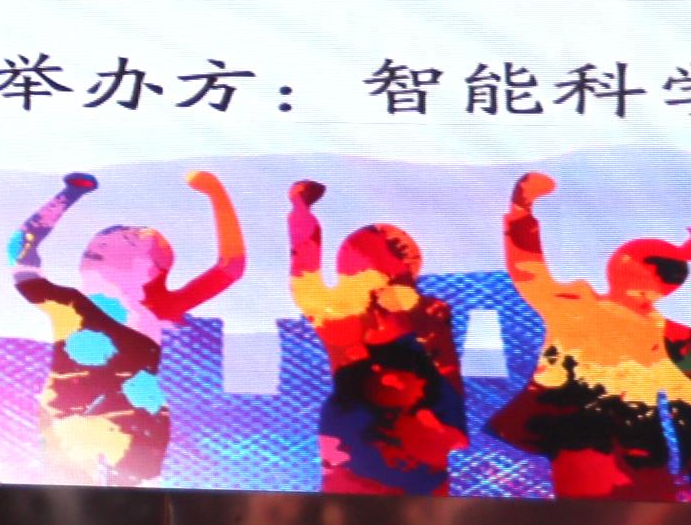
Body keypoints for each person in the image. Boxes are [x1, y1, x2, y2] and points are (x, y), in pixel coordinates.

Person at [9, 169, 244, 485]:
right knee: (68, 497)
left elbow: (231, 266)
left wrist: (216, 194)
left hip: (137, 425)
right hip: (68, 423)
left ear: (150, 268)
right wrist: (67, 196)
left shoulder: (158, 308)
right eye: (97, 243)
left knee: (132, 499)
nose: (101, 245)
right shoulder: (66, 303)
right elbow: (19, 249)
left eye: (126, 242)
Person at [489, 172, 690, 500]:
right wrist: (521, 212)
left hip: (637, 450)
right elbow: (528, 269)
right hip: (589, 443)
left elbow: (528, 271)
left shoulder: (671, 335)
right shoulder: (577, 307)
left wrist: (521, 211)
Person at [284, 178, 466, 496]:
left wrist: (301, 210)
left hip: (379, 440)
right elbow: (448, 379)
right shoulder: (421, 313)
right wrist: (301, 211)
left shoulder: (337, 312)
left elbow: (304, 263)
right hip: (394, 441)